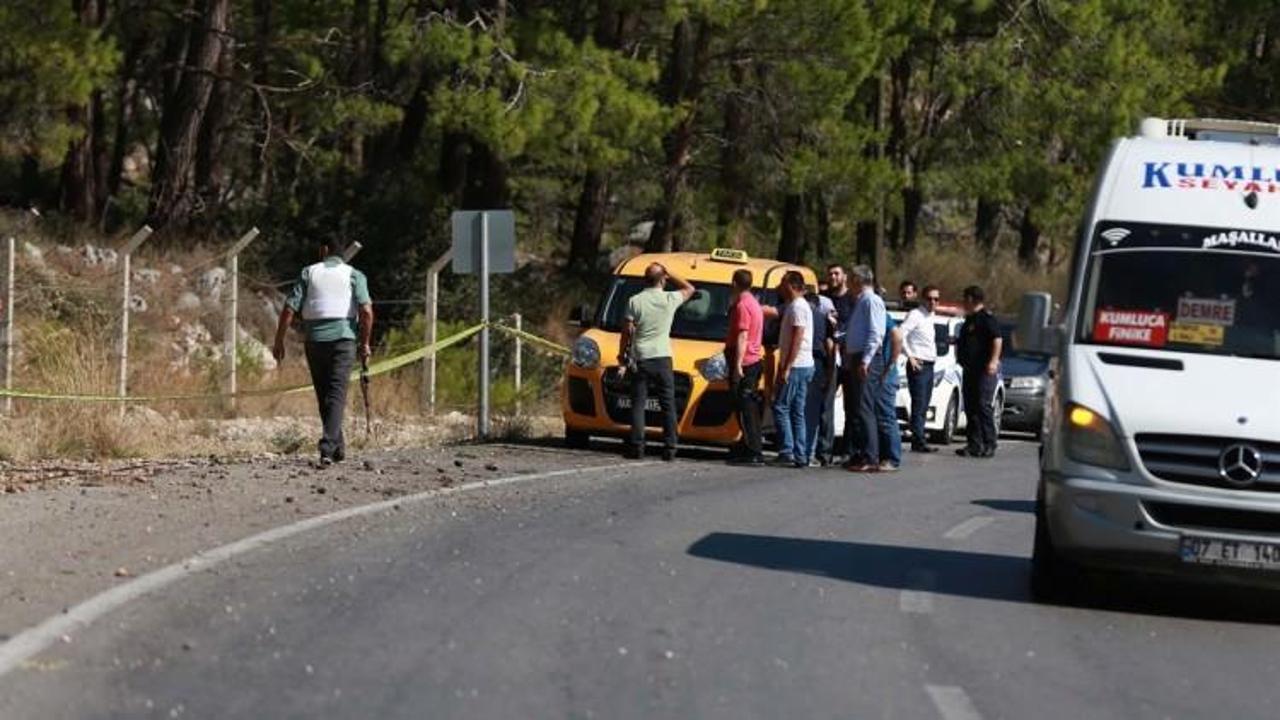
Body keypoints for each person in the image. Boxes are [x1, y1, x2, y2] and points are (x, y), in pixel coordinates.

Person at [273, 239, 374, 467]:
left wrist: (279, 341)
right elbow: (367, 312)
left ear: (324, 250)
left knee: (324, 395)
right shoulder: (354, 274)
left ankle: (331, 447)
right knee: (336, 394)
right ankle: (332, 447)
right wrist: (365, 343)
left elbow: (289, 309)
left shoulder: (308, 272)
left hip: (315, 341)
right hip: (344, 340)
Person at [619, 263, 695, 461]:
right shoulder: (669, 298)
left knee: (638, 403)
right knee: (667, 404)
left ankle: (637, 446)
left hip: (641, 357)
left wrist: (622, 356)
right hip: (662, 357)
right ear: (663, 279)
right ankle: (670, 447)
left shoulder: (635, 301)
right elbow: (690, 288)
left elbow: (626, 332)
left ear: (645, 279)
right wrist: (670, 273)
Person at [842, 265, 886, 473]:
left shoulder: (872, 301)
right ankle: (860, 453)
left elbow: (876, 333)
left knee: (864, 407)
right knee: (857, 408)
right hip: (857, 356)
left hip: (866, 358)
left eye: (850, 279)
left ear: (858, 281)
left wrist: (866, 360)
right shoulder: (861, 301)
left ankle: (871, 456)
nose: (848, 284)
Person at [771, 271, 815, 468]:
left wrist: (787, 366)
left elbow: (798, 336)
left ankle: (788, 450)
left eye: (783, 282)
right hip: (801, 364)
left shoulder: (798, 306)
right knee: (797, 410)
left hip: (797, 365)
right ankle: (800, 453)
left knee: (781, 406)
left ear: (790, 285)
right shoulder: (794, 305)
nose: (780, 286)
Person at [956, 285, 1002, 458]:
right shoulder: (969, 320)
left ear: (971, 299)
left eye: (965, 298)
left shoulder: (986, 319)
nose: (963, 302)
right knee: (971, 407)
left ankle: (990, 443)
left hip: (984, 370)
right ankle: (974, 444)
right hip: (970, 369)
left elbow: (997, 339)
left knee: (983, 406)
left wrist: (993, 361)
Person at [726, 269, 765, 466]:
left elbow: (743, 335)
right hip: (754, 359)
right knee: (745, 405)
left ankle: (753, 450)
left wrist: (737, 364)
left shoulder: (742, 305)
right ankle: (747, 445)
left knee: (745, 407)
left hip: (746, 360)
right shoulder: (754, 303)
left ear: (734, 283)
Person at [900, 286, 940, 453]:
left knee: (924, 404)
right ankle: (918, 440)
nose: (933, 302)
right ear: (923, 299)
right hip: (919, 364)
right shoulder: (915, 315)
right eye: (929, 299)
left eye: (936, 299)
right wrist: (910, 356)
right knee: (919, 403)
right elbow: (900, 334)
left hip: (930, 364)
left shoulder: (931, 317)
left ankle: (919, 436)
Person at [824, 263, 857, 460]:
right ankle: (825, 451)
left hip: (850, 358)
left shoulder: (853, 300)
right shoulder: (824, 298)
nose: (833, 277)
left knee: (852, 407)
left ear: (844, 276)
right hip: (830, 359)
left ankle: (848, 450)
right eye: (830, 274)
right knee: (826, 405)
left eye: (836, 273)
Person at [804, 287, 837, 466]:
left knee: (803, 409)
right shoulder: (823, 319)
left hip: (807, 361)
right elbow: (831, 346)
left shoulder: (802, 314)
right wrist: (830, 372)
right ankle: (808, 452)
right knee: (813, 411)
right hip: (818, 363)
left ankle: (802, 451)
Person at [874, 310, 904, 471]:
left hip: (885, 376)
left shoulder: (882, 316)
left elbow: (898, 337)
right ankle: (880, 456)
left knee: (886, 417)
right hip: (876, 375)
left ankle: (892, 458)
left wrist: (890, 365)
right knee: (877, 418)